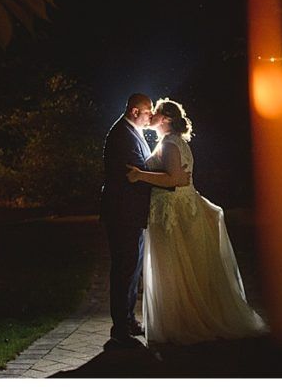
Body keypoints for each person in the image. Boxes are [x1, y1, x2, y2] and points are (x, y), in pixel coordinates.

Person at [126, 98, 268, 345]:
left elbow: (175, 180)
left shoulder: (170, 144)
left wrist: (139, 175)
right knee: (177, 267)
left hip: (172, 213)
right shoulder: (169, 142)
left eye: (156, 113)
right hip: (172, 209)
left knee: (175, 266)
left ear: (167, 119)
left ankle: (183, 321)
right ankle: (180, 317)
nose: (151, 117)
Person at [100, 93, 156, 347]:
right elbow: (135, 172)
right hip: (123, 213)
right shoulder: (122, 135)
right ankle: (120, 326)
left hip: (131, 213)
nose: (150, 117)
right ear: (135, 111)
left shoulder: (131, 131)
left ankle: (127, 319)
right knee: (125, 267)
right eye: (148, 112)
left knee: (131, 268)